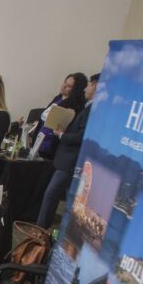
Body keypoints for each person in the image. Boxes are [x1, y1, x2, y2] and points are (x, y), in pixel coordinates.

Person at [37, 73, 99, 228]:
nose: (86, 88)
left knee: (51, 195)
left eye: (90, 84)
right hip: (65, 159)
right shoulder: (86, 107)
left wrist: (62, 134)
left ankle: (39, 231)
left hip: (70, 161)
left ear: (96, 86)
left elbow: (82, 136)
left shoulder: (91, 110)